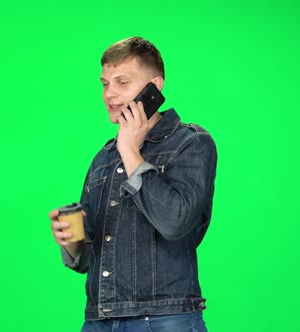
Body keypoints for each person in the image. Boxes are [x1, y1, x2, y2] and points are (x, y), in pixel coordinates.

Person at [48, 37, 217, 331]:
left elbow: (175, 222)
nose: (109, 94)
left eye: (122, 82)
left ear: (156, 86)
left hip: (165, 319)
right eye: (105, 83)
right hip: (101, 320)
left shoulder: (191, 143)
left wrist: (130, 150)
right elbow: (88, 260)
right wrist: (71, 242)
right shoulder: (103, 158)